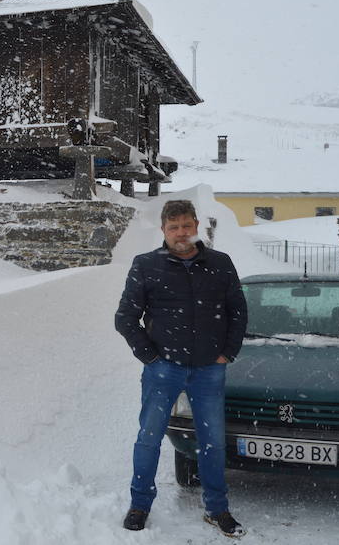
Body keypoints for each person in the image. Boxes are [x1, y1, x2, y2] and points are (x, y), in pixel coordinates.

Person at [114, 199, 247, 538]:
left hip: (209, 370)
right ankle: (140, 504)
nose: (181, 233)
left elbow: (237, 312)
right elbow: (125, 318)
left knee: (213, 442)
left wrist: (226, 353)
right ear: (163, 230)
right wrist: (151, 357)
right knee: (149, 439)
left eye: (186, 226)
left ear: (196, 225)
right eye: (174, 228)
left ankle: (217, 509)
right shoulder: (146, 265)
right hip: (163, 369)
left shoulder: (219, 263)